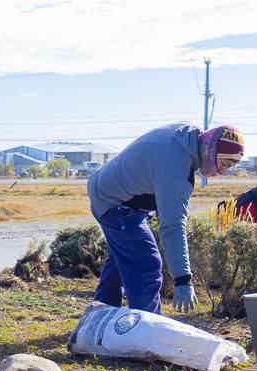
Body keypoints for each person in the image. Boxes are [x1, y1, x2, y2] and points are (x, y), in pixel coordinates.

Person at [88, 123, 244, 314]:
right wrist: (183, 278)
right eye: (224, 164)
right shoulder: (176, 169)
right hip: (114, 204)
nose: (222, 172)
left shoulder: (186, 137)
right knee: (147, 264)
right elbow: (173, 226)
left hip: (109, 190)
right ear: (212, 151)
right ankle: (147, 332)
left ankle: (99, 316)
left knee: (123, 259)